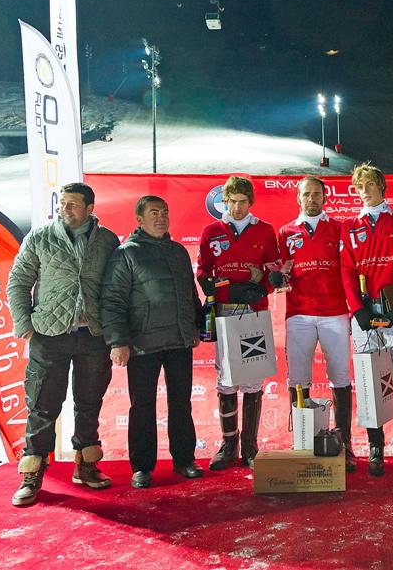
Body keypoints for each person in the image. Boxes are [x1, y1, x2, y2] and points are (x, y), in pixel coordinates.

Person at [6, 182, 120, 506]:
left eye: (72, 204)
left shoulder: (108, 241)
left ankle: (86, 464)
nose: (64, 209)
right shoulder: (40, 238)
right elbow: (18, 281)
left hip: (93, 335)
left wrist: (116, 332)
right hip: (48, 335)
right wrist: (24, 323)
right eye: (62, 203)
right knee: (42, 404)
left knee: (89, 402)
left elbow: (116, 289)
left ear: (89, 208)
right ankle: (32, 473)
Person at [100, 196, 204, 488]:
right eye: (154, 213)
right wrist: (117, 341)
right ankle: (142, 468)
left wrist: (196, 326)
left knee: (181, 403)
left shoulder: (178, 252)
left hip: (179, 341)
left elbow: (190, 294)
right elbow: (113, 301)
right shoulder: (126, 254)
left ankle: (184, 460)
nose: (161, 217)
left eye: (165, 212)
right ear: (140, 219)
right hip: (142, 344)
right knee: (142, 406)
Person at [339, 162, 393, 477]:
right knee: (371, 384)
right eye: (359, 187)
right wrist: (358, 310)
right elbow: (347, 270)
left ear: (382, 187)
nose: (365, 191)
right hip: (365, 317)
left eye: (370, 184)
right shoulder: (349, 226)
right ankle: (376, 449)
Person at [196, 175, 279, 470]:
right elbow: (203, 272)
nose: (238, 207)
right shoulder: (211, 231)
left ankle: (250, 446)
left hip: (254, 311)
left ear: (250, 202)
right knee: (226, 379)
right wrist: (217, 287)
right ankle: (228, 445)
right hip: (225, 310)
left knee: (253, 378)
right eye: (233, 202)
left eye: (243, 202)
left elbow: (273, 269)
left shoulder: (265, 230)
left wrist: (265, 287)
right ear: (225, 201)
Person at [274, 177, 357, 471]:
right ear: (298, 198)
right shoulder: (285, 232)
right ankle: (303, 441)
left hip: (335, 312)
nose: (312, 199)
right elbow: (281, 272)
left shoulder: (339, 228)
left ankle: (344, 443)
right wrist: (277, 278)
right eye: (306, 194)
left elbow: (350, 268)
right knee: (298, 379)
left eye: (317, 194)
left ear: (325, 198)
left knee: (341, 377)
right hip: (299, 313)